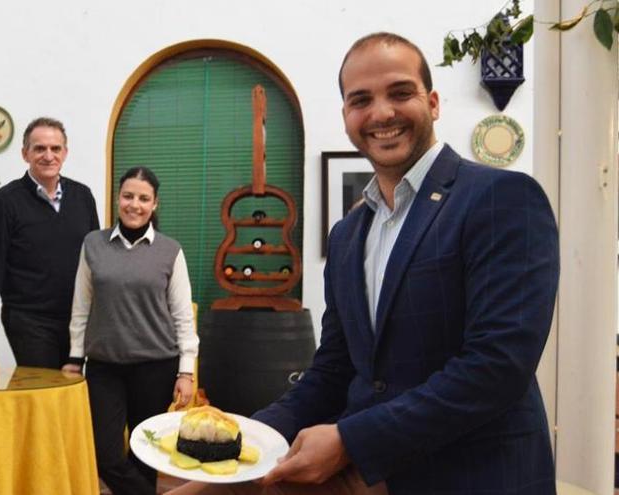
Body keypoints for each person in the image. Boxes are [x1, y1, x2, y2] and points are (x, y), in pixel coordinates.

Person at [169, 32, 559, 495]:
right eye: (361, 100)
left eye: (399, 92)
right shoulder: (348, 235)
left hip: (473, 473)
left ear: (432, 102)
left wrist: (350, 440)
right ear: (346, 117)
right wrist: (248, 435)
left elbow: (497, 366)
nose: (381, 113)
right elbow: (335, 368)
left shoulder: (501, 198)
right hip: (373, 472)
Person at [62, 166, 199, 495]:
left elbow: (183, 316)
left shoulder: (170, 251)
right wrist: (74, 357)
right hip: (104, 367)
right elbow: (81, 306)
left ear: (155, 204)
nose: (134, 204)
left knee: (145, 452)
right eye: (128, 196)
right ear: (117, 199)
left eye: (143, 198)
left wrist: (186, 371)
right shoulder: (93, 244)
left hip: (156, 366)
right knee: (104, 453)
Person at [0, 117, 100, 369]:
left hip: (77, 319)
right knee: (46, 392)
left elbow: (96, 258)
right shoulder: (4, 203)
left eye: (55, 148)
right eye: (39, 148)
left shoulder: (82, 196)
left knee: (73, 392)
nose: (48, 155)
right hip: (29, 320)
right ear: (25, 154)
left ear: (65, 153)